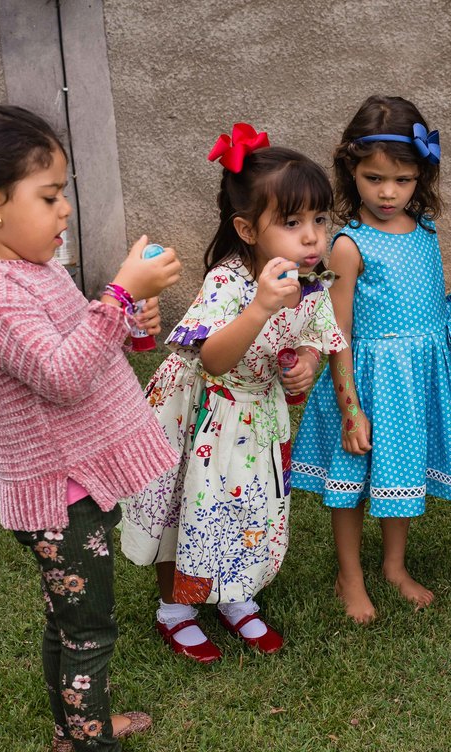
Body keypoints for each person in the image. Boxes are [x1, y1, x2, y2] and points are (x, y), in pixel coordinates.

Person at [0, 105, 184, 752]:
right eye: (51, 196)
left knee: (68, 617)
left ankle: (74, 723)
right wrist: (121, 295)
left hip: (75, 485)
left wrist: (129, 318)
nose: (65, 211)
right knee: (88, 626)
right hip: (58, 495)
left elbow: (77, 346)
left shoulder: (32, 269)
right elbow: (62, 377)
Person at [121, 128, 348, 660]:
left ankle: (235, 593)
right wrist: (262, 307)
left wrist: (306, 364)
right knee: (186, 507)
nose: (312, 236)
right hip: (202, 414)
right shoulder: (230, 282)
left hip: (257, 418)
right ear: (247, 229)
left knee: (249, 506)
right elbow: (216, 360)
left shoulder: (313, 282)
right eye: (292, 223)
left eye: (319, 219)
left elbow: (316, 339)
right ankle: (174, 608)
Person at [292, 96, 451, 623]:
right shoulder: (350, 245)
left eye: (402, 180)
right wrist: (350, 407)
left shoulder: (425, 231)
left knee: (403, 470)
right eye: (374, 177)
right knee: (352, 479)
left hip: (415, 382)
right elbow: (337, 332)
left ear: (420, 176)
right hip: (367, 383)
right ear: (350, 169)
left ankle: (394, 567)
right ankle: (348, 575)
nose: (387, 192)